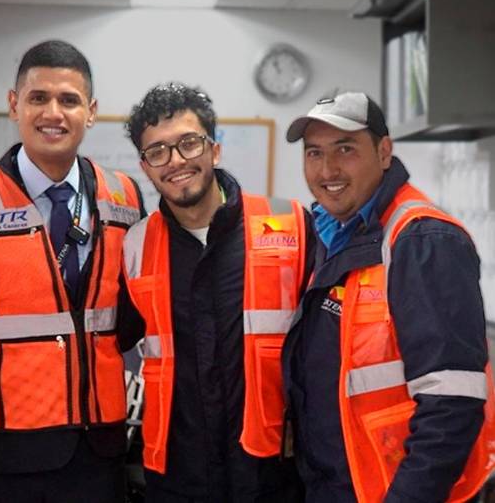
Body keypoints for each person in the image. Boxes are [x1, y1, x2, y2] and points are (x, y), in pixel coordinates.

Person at [0, 40, 144, 503]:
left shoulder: (125, 197)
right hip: (1, 457)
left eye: (69, 100)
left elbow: (128, 323)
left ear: (91, 112)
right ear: (13, 105)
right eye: (38, 98)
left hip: (100, 450)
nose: (54, 112)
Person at [282, 91, 495, 502]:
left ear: (383, 152)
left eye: (345, 149)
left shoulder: (423, 239)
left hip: (389, 490)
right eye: (314, 153)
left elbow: (453, 401)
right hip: (334, 483)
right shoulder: (330, 233)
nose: (328, 169)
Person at [120, 82, 314, 502]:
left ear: (214, 148)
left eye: (189, 143)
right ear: (145, 165)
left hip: (269, 468)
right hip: (177, 471)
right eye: (158, 152)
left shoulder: (291, 224)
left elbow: (323, 347)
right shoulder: (135, 245)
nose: (175, 162)